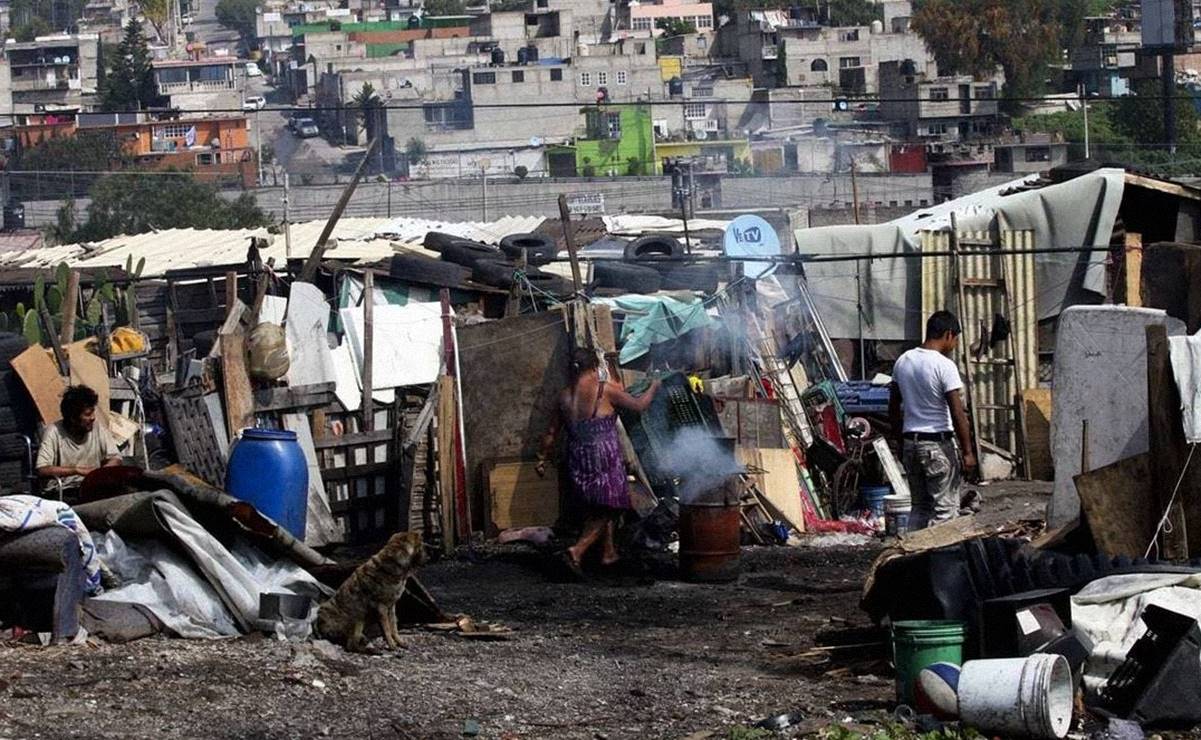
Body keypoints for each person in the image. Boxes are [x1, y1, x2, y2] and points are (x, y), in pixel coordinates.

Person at [538, 348, 660, 575]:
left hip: (578, 455)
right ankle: (576, 551)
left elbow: (551, 433)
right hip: (602, 456)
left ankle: (608, 553)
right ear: (595, 367)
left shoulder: (564, 395)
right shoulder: (604, 390)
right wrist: (654, 387)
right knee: (613, 506)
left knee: (597, 505)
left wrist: (542, 458)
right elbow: (639, 405)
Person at [888, 311, 976, 529]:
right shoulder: (944, 365)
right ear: (948, 334)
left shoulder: (903, 361)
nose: (954, 344)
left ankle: (912, 557)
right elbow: (958, 413)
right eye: (955, 339)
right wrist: (967, 452)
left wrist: (901, 442)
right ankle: (940, 560)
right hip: (937, 445)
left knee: (919, 507)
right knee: (945, 511)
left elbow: (892, 408)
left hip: (911, 443)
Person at [36, 384, 122, 497]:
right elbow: (42, 469)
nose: (93, 418)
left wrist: (101, 473)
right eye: (87, 414)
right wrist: (76, 470)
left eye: (93, 412)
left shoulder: (97, 428)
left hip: (92, 486)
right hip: (64, 490)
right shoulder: (54, 432)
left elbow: (116, 458)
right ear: (73, 418)